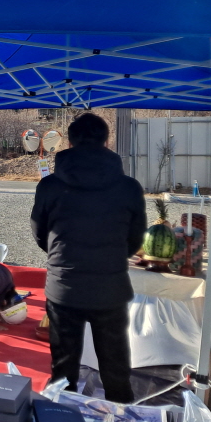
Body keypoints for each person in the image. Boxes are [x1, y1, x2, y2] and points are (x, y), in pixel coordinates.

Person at [30, 112, 146, 404]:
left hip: (64, 286)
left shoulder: (49, 186)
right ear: (107, 142)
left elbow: (40, 233)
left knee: (62, 371)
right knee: (116, 368)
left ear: (69, 143)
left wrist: (63, 257)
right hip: (111, 287)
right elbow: (135, 239)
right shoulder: (129, 187)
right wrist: (112, 257)